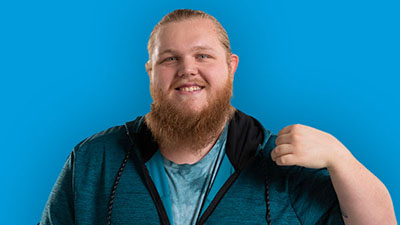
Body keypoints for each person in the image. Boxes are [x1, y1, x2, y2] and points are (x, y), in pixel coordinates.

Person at [39, 9, 396, 225]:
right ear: (150, 71)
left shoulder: (282, 163)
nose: (186, 70)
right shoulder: (92, 161)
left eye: (203, 56)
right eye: (169, 59)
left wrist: (340, 159)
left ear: (231, 66)